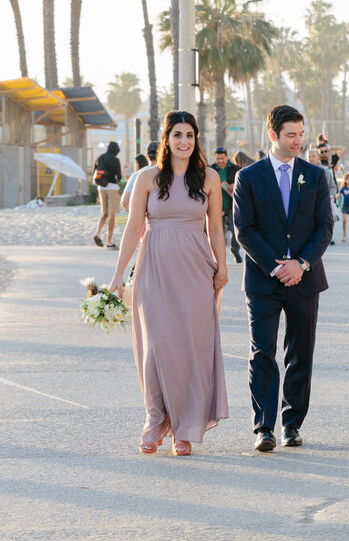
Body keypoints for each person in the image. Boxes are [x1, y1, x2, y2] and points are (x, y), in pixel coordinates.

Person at [108, 111, 228, 456]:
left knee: (190, 347)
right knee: (157, 346)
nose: (184, 141)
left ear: (196, 139)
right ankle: (155, 419)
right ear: (166, 139)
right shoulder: (147, 177)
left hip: (195, 270)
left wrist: (222, 268)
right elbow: (133, 229)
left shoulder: (209, 178)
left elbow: (216, 228)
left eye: (190, 135)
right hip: (154, 268)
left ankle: (184, 427)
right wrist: (119, 274)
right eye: (178, 135)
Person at [233, 105, 335, 452]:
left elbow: (325, 226)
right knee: (263, 351)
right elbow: (243, 230)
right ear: (273, 135)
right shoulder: (248, 177)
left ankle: (292, 424)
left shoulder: (316, 175)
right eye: (291, 135)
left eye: (301, 134)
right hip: (263, 280)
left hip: (305, 279)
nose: (298, 141)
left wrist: (301, 263)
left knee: (300, 352)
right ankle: (264, 427)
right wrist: (277, 266)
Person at [211, 147, 242, 264]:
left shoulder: (236, 169)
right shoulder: (211, 169)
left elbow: (244, 186)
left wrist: (235, 185)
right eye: (218, 159)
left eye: (222, 158)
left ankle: (235, 250)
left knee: (235, 230)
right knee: (217, 232)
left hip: (232, 205)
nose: (220, 161)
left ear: (227, 157)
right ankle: (218, 257)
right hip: (216, 206)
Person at [92, 141, 123, 250]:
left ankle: (98, 233)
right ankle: (109, 242)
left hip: (100, 188)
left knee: (104, 214)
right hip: (112, 188)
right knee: (112, 215)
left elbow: (94, 172)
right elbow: (119, 177)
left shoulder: (100, 157)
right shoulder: (115, 160)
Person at [122, 142, 158, 211]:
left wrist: (139, 214)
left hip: (142, 220)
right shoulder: (170, 175)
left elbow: (125, 202)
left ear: (147, 156)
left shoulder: (136, 175)